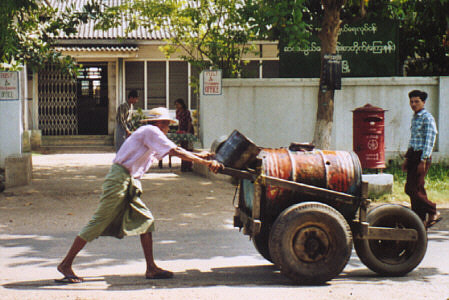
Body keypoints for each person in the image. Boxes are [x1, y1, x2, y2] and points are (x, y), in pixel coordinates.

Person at [56, 107, 223, 284]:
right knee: (98, 222)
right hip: (119, 180)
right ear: (160, 123)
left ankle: (151, 268)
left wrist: (199, 156)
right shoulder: (150, 131)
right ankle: (65, 264)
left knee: (146, 220)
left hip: (128, 181)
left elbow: (170, 151)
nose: (168, 128)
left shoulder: (148, 133)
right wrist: (204, 162)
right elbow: (175, 152)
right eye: (167, 125)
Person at [401, 90, 440, 229]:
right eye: (411, 101)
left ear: (423, 102)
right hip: (413, 155)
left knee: (412, 189)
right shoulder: (415, 117)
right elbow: (413, 140)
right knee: (416, 188)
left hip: (421, 157)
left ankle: (433, 210)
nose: (413, 104)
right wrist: (407, 158)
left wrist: (423, 160)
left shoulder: (427, 117)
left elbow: (430, 139)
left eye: (416, 101)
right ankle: (419, 221)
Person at [175, 98, 195, 172]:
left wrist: (188, 132)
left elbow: (189, 122)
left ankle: (189, 166)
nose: (176, 106)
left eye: (178, 104)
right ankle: (183, 166)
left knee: (188, 148)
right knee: (182, 148)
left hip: (188, 130)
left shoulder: (186, 112)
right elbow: (180, 122)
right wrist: (179, 130)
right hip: (182, 130)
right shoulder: (177, 112)